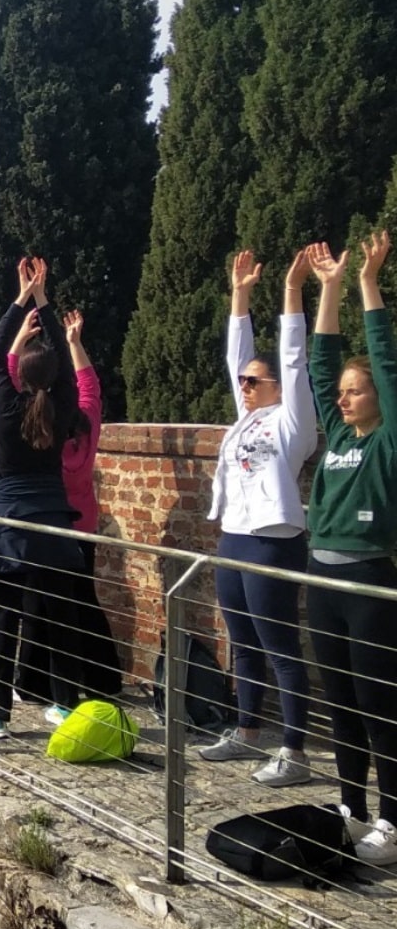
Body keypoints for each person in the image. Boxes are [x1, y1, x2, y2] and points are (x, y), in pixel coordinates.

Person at [197, 248, 317, 786]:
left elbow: (293, 358)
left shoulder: (292, 421)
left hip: (273, 540)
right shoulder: (244, 421)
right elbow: (234, 356)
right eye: (242, 381)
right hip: (235, 538)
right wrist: (239, 295)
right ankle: (247, 731)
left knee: (281, 648)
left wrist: (291, 293)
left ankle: (294, 750)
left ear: (276, 389)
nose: (243, 386)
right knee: (241, 642)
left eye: (253, 381)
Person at [0, 258, 84, 740]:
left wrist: (22, 297)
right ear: (55, 378)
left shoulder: (5, 404)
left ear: (19, 376)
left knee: (3, 623)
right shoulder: (64, 406)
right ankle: (63, 705)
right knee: (60, 623)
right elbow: (64, 369)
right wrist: (44, 300)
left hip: (8, 529)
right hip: (54, 529)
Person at [304, 232, 397, 865]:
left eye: (354, 390)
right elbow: (319, 362)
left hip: (369, 579)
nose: (343, 395)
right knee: (338, 695)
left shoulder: (388, 440)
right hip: (322, 574)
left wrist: (366, 282)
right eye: (342, 391)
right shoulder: (337, 429)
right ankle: (350, 804)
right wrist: (328, 287)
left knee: (379, 700)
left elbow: (385, 363)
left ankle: (391, 819)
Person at [6, 307, 123, 708]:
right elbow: (90, 388)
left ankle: (33, 683)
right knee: (82, 600)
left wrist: (18, 340)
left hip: (46, 521)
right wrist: (74, 343)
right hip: (83, 523)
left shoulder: (36, 422)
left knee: (38, 606)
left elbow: (4, 382)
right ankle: (103, 677)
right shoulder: (84, 421)